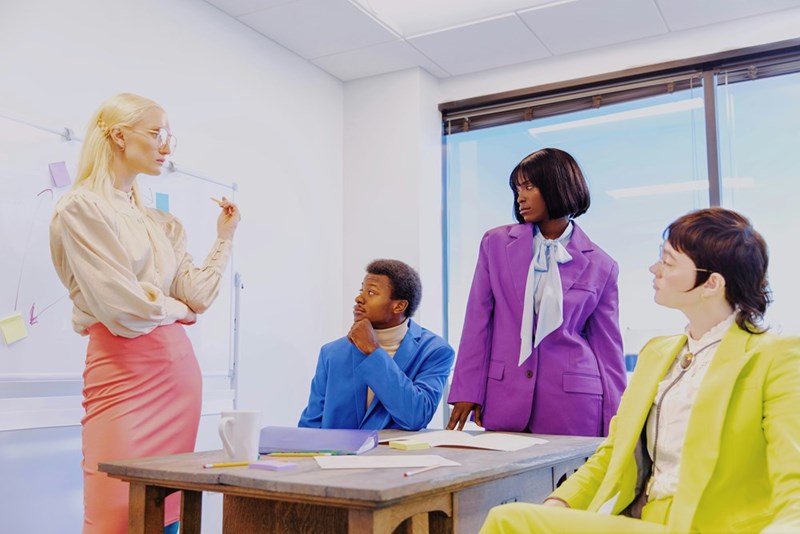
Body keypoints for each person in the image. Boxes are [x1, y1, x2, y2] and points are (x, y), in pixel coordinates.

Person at [480, 207, 800, 533]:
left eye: (669, 262)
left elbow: (795, 480)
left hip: (711, 527)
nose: (654, 269)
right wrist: (556, 507)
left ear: (711, 283)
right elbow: (612, 456)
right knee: (517, 520)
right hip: (645, 521)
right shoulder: (657, 354)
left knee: (508, 521)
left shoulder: (775, 357)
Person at [49, 93, 240, 534]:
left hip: (177, 379)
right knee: (114, 513)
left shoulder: (161, 222)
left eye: (168, 136)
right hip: (123, 375)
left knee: (168, 510)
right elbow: (122, 309)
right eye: (157, 134)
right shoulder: (80, 208)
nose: (167, 147)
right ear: (119, 136)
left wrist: (224, 238)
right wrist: (176, 309)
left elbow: (198, 295)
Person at [447, 148, 625, 437]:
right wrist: (469, 388)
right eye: (517, 188)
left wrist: (620, 420)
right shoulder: (495, 244)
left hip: (576, 403)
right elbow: (478, 320)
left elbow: (609, 349)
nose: (520, 197)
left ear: (559, 186)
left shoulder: (602, 265)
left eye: (529, 186)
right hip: (505, 397)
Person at [299, 259, 455, 430]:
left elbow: (416, 416)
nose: (359, 298)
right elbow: (310, 426)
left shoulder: (435, 351)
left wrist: (373, 351)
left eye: (371, 292)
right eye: (361, 290)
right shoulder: (332, 352)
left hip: (396, 456)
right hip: (335, 456)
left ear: (399, 306)